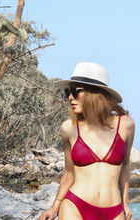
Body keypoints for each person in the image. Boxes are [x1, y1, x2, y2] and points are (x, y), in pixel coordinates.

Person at [39, 62, 135, 220]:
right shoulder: (69, 128)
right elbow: (69, 173)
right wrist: (54, 208)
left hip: (114, 211)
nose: (70, 97)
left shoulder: (126, 125)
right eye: (68, 92)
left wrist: (125, 204)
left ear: (95, 93)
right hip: (75, 206)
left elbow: (125, 167)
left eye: (76, 91)